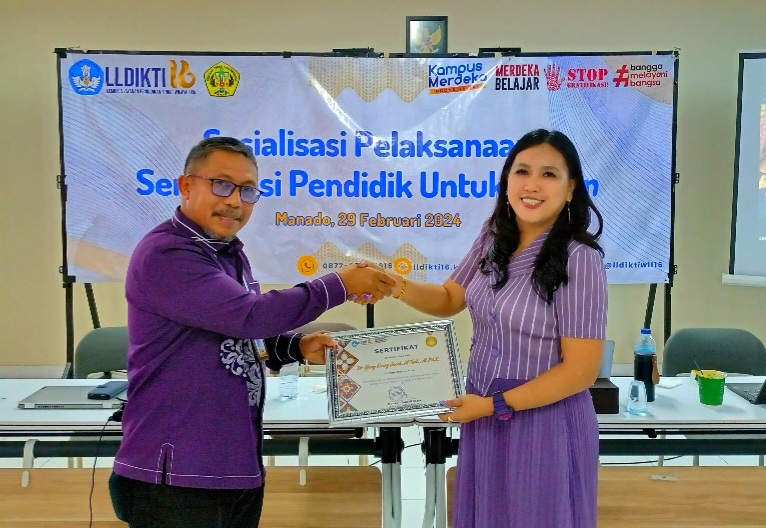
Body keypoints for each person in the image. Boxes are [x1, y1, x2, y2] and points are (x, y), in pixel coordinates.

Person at [109, 136, 395, 528]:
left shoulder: (226, 251)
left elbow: (235, 331)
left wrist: (294, 347)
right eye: (222, 185)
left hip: (232, 465)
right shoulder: (168, 253)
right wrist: (340, 285)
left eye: (247, 190)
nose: (235, 201)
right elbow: (249, 317)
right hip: (177, 472)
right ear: (186, 186)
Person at [365, 128, 607, 527]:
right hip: (484, 411)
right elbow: (450, 298)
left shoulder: (579, 258)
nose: (532, 185)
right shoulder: (493, 237)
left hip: (543, 420)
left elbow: (581, 371)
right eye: (522, 171)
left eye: (549, 174)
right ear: (507, 180)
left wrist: (495, 404)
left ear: (570, 189)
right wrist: (396, 285)